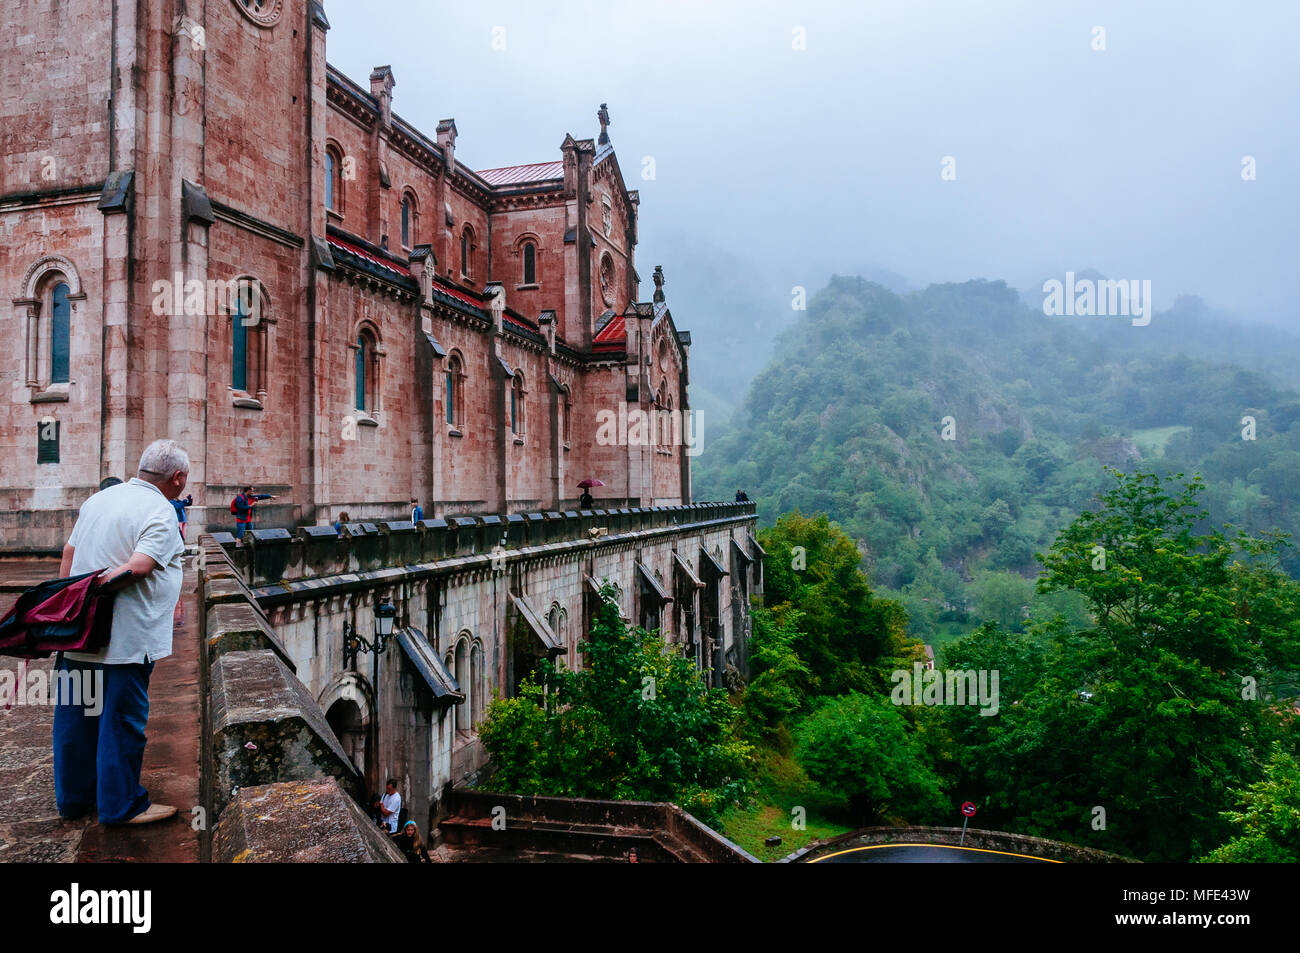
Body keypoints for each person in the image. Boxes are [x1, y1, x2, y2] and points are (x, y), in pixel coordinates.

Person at [54, 439, 190, 825]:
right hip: (126, 642)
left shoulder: (101, 499)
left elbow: (69, 552)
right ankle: (121, 805)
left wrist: (72, 603)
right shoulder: (160, 510)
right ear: (177, 478)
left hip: (77, 637)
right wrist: (93, 594)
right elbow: (139, 567)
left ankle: (74, 800)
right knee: (120, 721)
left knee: (76, 719)